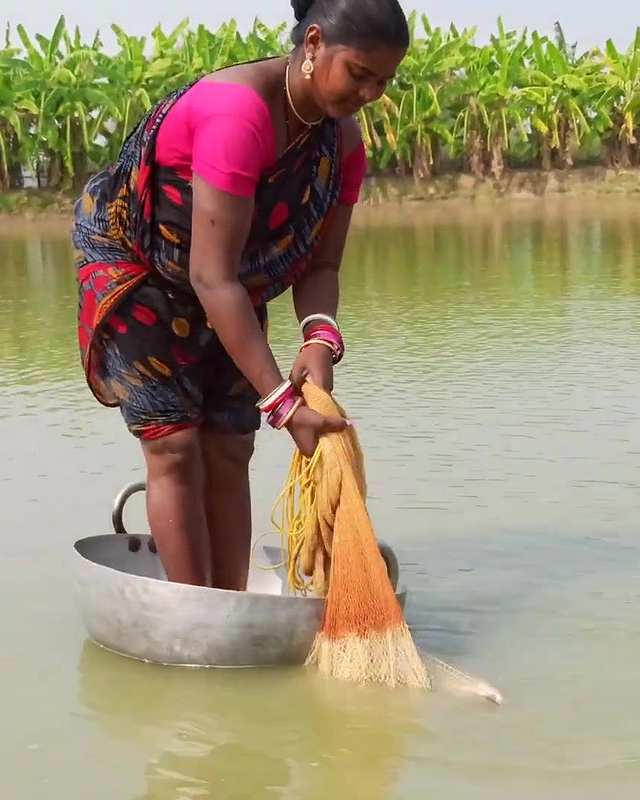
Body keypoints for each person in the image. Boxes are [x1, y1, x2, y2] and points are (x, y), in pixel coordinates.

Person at [73, 0, 410, 590]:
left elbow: (322, 261)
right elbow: (210, 276)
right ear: (312, 44)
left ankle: (232, 601)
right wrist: (282, 403)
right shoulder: (239, 114)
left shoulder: (342, 144)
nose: (369, 94)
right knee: (176, 446)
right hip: (145, 273)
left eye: (383, 82)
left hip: (230, 282)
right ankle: (193, 609)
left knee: (230, 446)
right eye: (359, 73)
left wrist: (320, 338)